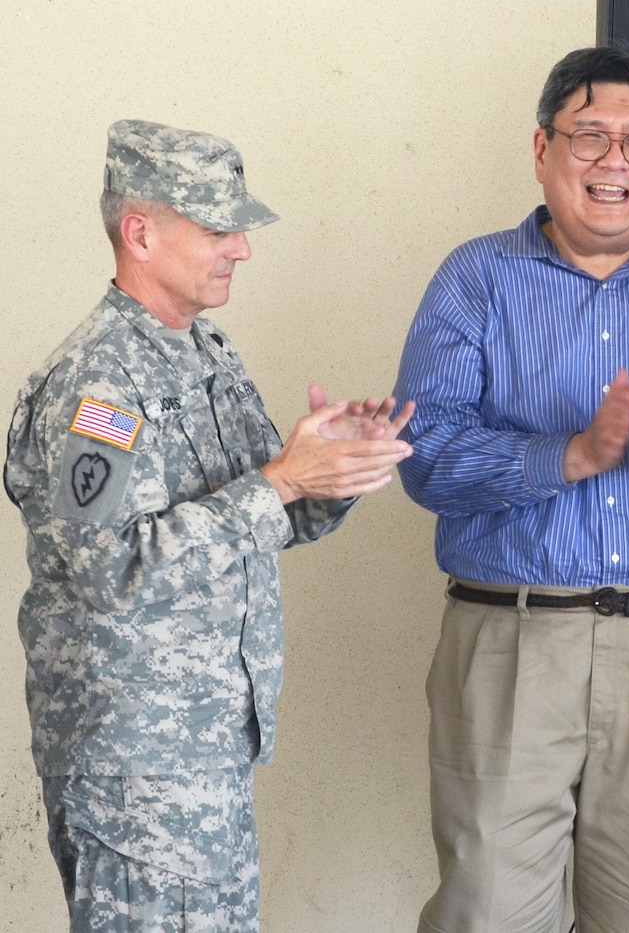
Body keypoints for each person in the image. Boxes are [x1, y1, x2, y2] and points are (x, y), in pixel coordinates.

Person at [393, 43, 629, 933]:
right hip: (511, 639)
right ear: (541, 149)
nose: (615, 162)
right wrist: (563, 456)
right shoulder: (474, 278)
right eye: (590, 135)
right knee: (484, 912)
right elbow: (421, 455)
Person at [5, 119, 415, 932]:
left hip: (204, 753)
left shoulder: (203, 352)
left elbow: (273, 507)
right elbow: (109, 571)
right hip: (134, 777)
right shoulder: (99, 386)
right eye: (218, 228)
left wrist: (332, 469)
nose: (242, 249)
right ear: (141, 232)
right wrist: (280, 480)